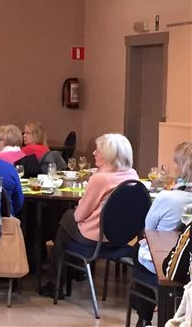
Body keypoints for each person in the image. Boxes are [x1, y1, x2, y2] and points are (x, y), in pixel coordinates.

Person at [39, 133, 139, 299]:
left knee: (67, 217)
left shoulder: (100, 179)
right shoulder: (132, 176)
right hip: (122, 239)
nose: (93, 153)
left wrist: (79, 209)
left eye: (97, 151)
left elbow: (80, 216)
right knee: (67, 225)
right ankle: (75, 272)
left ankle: (57, 284)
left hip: (95, 239)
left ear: (108, 156)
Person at [131, 142, 192, 326]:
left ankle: (144, 316)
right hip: (183, 261)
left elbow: (148, 229)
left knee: (137, 251)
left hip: (173, 261)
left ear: (183, 166)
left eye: (174, 161)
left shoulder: (168, 197)